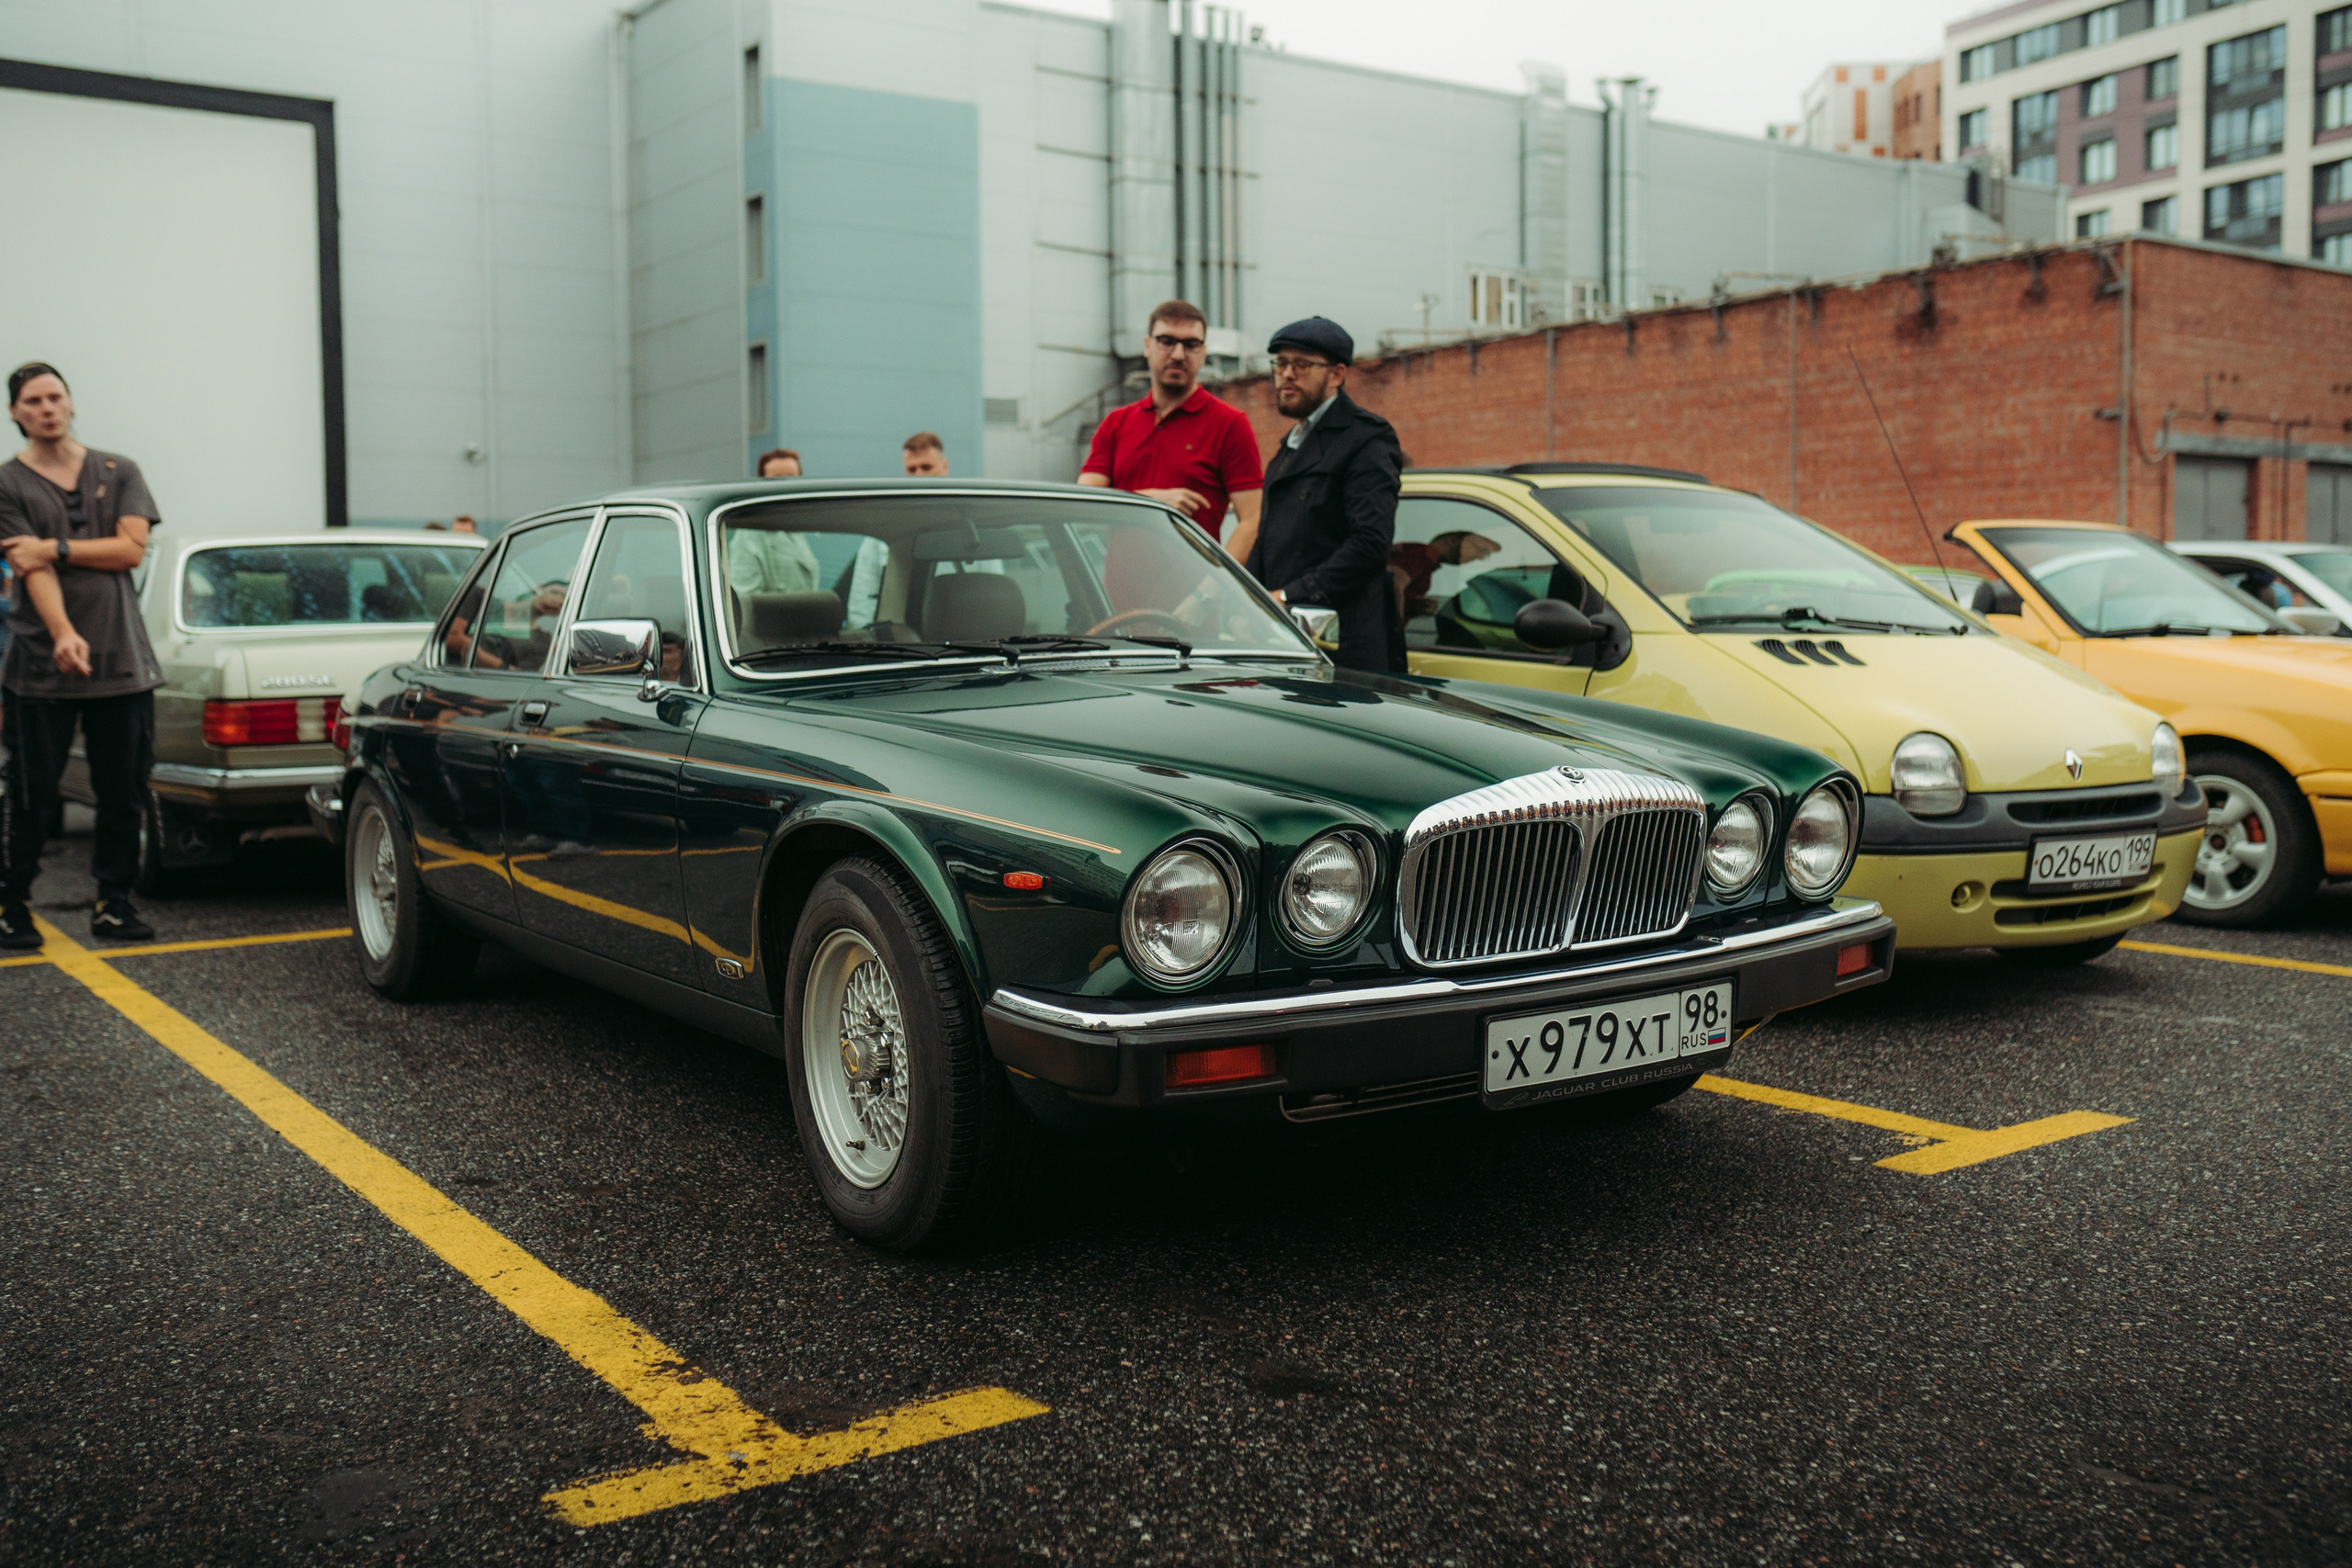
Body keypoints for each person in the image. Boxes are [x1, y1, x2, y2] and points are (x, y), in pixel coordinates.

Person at [0, 363, 165, 945]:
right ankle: (12, 905)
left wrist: (55, 545)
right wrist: (64, 632)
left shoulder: (119, 470)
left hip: (121, 664)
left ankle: (113, 904)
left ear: (71, 403)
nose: (47, 407)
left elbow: (130, 550)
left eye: (55, 396)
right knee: (32, 795)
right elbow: (28, 564)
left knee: (122, 792)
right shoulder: (7, 483)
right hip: (39, 670)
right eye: (33, 400)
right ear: (15, 413)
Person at [1247, 319, 1404, 673]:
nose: (1287, 374)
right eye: (1281, 364)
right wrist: (1244, 598)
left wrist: (1289, 595)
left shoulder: (1366, 439)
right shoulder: (1287, 448)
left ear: (1336, 375)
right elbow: (1268, 542)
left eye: (1301, 365)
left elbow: (1369, 545)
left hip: (1340, 652)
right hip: (1283, 642)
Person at [1080, 299, 1263, 549]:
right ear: (1147, 346)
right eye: (1166, 341)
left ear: (1203, 353)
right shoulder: (1116, 423)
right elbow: (1086, 502)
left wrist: (1213, 588)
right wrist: (1149, 502)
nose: (1178, 354)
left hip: (1194, 586)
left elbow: (1252, 522)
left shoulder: (1230, 424)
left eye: (1191, 344)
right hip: (1117, 588)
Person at [729, 446, 820, 595]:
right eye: (777, 479)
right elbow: (745, 598)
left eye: (792, 478)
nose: (785, 485)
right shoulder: (750, 533)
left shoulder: (803, 527)